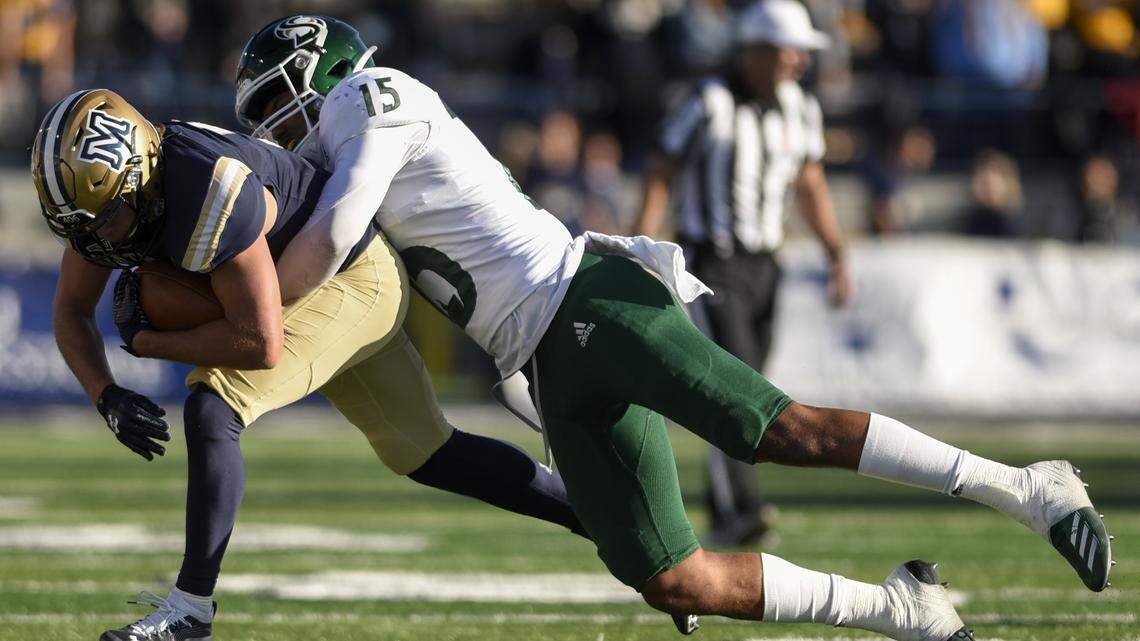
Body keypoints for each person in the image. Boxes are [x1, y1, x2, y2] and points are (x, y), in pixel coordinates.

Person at [236, 15, 1113, 640]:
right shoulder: (339, 139)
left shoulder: (369, 96)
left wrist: (256, 304)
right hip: (541, 356)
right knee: (671, 575)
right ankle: (901, 610)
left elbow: (341, 224)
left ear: (322, 71)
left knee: (774, 429)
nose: (275, 129)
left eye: (276, 103)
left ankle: (1026, 486)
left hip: (585, 298)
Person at [32, 89, 587, 641]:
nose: (98, 237)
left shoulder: (203, 187)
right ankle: (601, 517)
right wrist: (106, 395)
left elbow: (257, 343)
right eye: (83, 226)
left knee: (214, 406)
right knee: (428, 452)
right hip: (312, 284)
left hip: (349, 277)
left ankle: (189, 610)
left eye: (107, 219)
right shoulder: (105, 200)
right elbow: (71, 310)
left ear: (139, 172)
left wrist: (150, 343)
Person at [632, 0, 852, 547]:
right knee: (734, 386)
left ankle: (727, 508)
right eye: (788, 51)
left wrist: (836, 253)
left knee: (752, 386)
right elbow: (661, 169)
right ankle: (739, 509)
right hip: (714, 260)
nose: (799, 62)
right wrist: (639, 248)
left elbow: (811, 183)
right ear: (755, 52)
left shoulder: (801, 108)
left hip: (767, 263)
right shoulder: (709, 101)